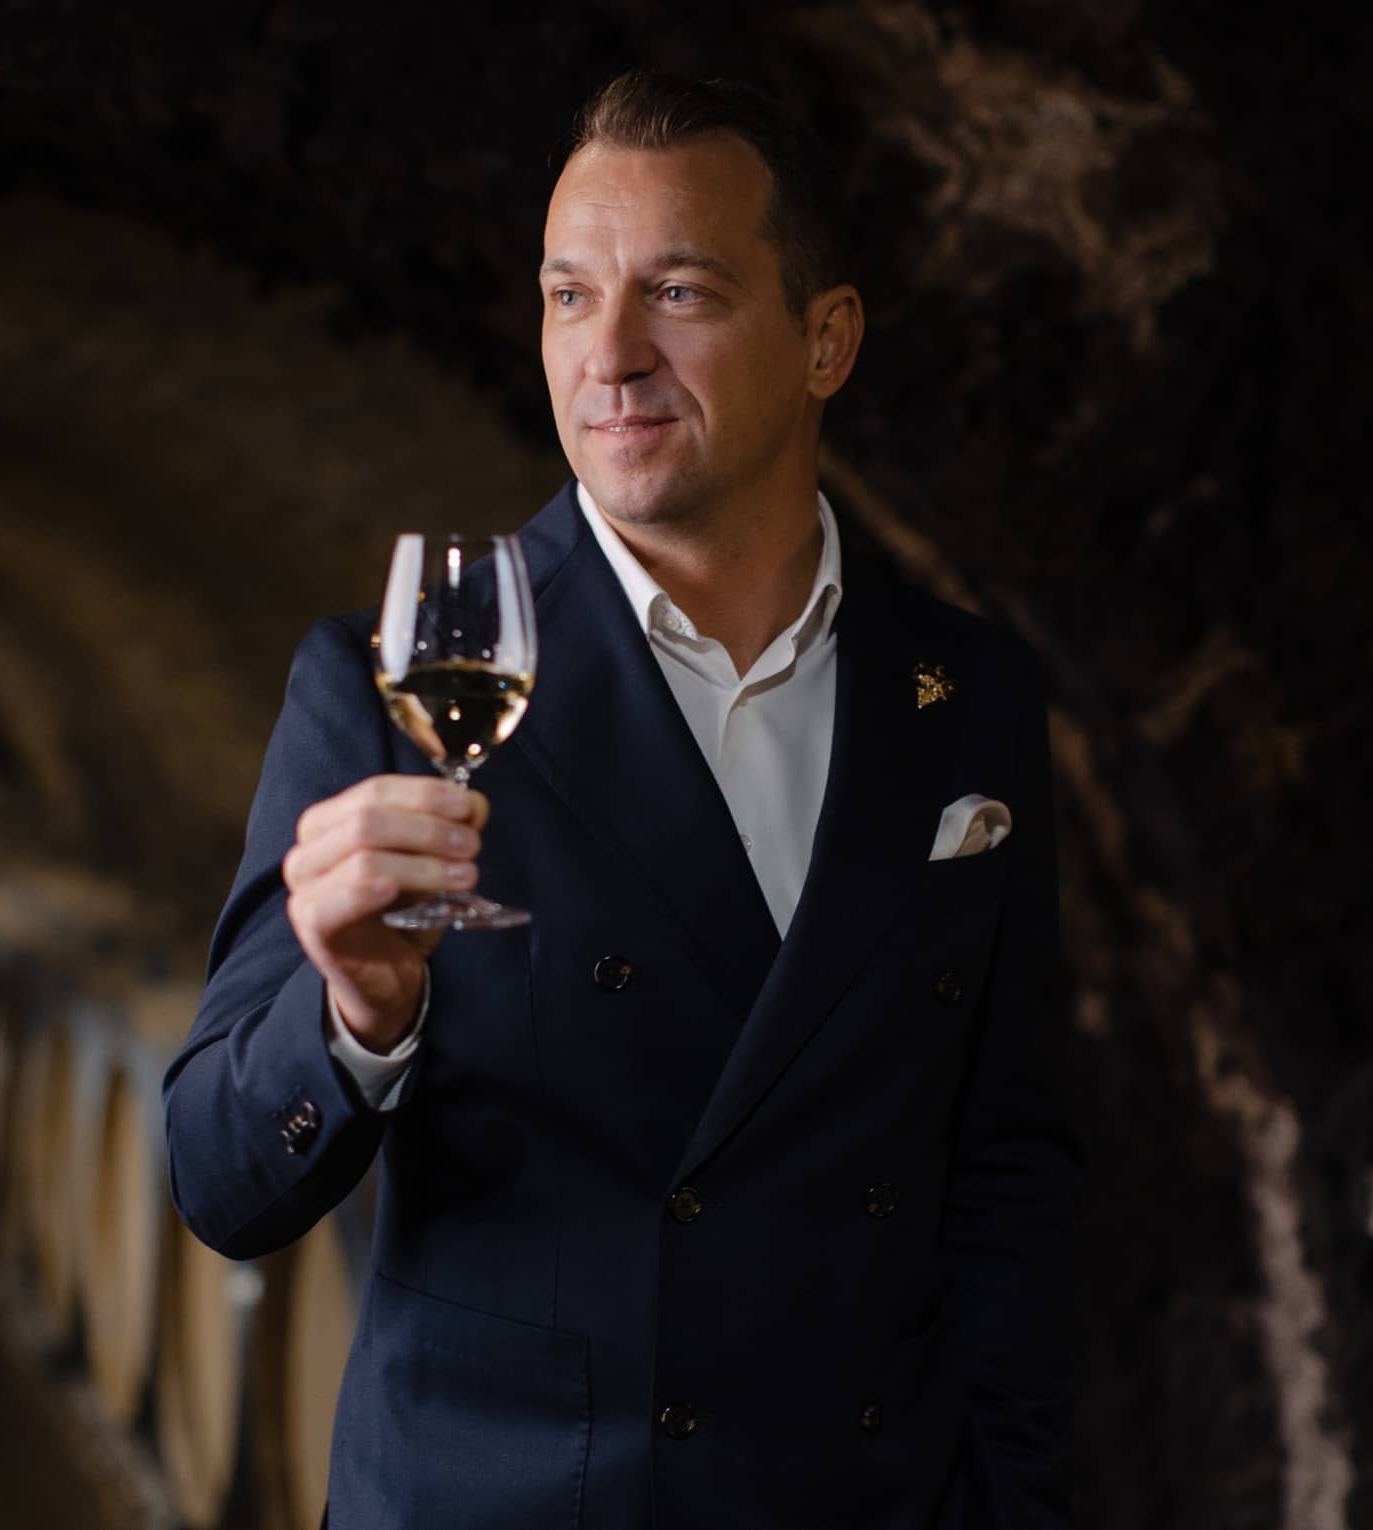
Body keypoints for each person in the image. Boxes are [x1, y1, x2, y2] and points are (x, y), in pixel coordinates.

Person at [164, 68, 1083, 1530]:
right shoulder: (395, 684)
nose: (611, 356)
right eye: (569, 296)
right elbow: (218, 1185)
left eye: (680, 292)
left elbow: (1011, 1168)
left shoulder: (968, 698)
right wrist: (355, 1015)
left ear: (826, 339)